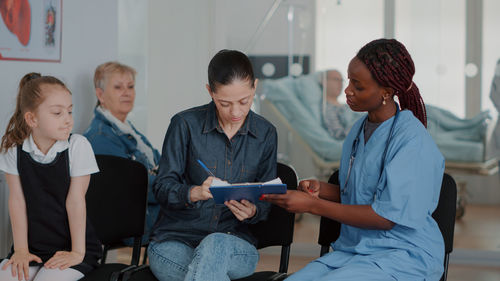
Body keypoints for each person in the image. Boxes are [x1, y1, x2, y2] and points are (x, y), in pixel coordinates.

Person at [264, 38, 445, 280]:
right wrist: (322, 190)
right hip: (354, 251)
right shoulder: (359, 130)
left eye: (357, 86)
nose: (347, 90)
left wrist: (313, 206)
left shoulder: (412, 141)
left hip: (402, 255)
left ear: (387, 92)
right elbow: (362, 195)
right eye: (349, 80)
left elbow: (386, 216)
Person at [148, 49, 278, 281]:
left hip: (233, 244)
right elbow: (162, 187)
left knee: (215, 244)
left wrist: (253, 211)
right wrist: (194, 192)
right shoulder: (184, 125)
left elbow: (268, 198)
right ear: (210, 92)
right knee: (209, 270)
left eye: (244, 101)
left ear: (255, 87)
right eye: (225, 103)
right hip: (175, 241)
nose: (236, 112)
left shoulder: (266, 133)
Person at [0, 73, 101, 281]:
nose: (68, 120)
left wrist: (77, 253)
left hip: (74, 247)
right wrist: (20, 250)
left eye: (70, 111)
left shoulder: (78, 146)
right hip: (32, 247)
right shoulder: (13, 149)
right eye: (57, 113)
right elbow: (17, 201)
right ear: (32, 119)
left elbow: (75, 202)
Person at [84, 62, 161, 243]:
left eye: (130, 87)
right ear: (100, 95)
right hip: (140, 223)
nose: (126, 93)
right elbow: (133, 187)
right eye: (118, 87)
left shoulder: (128, 129)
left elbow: (159, 160)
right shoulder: (100, 137)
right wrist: (173, 186)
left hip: (158, 212)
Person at [321, 69, 351, 140]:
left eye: (341, 80)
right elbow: (339, 135)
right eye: (336, 79)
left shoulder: (347, 107)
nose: (340, 84)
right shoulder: (327, 108)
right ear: (324, 82)